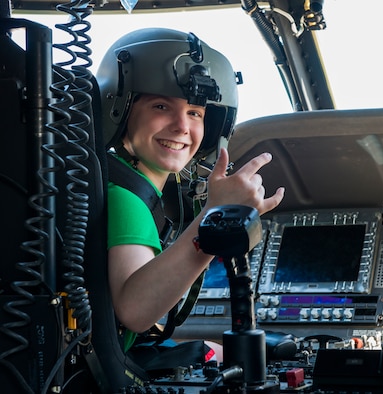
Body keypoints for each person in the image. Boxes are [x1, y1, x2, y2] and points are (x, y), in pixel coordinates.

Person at [95, 27, 285, 368]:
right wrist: (214, 216)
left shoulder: (116, 183)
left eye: (195, 112)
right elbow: (136, 311)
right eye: (160, 106)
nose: (182, 125)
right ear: (120, 111)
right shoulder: (124, 197)